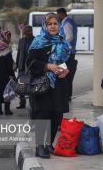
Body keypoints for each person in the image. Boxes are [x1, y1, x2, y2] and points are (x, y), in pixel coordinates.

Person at [27, 13, 70, 158]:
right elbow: (30, 63)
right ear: (45, 26)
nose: (53, 26)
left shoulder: (63, 42)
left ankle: (49, 143)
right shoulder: (38, 42)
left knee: (56, 114)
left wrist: (67, 69)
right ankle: (39, 146)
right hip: (42, 84)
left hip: (59, 83)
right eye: (50, 23)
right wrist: (47, 66)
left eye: (55, 23)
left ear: (59, 25)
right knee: (43, 114)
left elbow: (68, 60)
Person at [57, 8, 78, 101]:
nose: (57, 17)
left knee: (65, 74)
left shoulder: (67, 23)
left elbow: (69, 37)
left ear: (61, 14)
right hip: (68, 53)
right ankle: (66, 95)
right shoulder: (66, 22)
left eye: (57, 15)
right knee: (66, 74)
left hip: (67, 54)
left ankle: (66, 95)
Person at [0, 31, 15, 115]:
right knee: (7, 90)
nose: (9, 39)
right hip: (6, 74)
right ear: (4, 37)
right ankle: (7, 110)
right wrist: (11, 75)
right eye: (8, 37)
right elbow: (9, 64)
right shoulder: (6, 49)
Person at [15, 25, 35, 109]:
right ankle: (22, 103)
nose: (23, 31)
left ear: (30, 31)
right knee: (20, 84)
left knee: (31, 85)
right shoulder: (21, 40)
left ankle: (32, 103)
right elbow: (19, 53)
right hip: (21, 66)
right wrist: (16, 65)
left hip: (31, 67)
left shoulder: (35, 40)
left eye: (25, 30)